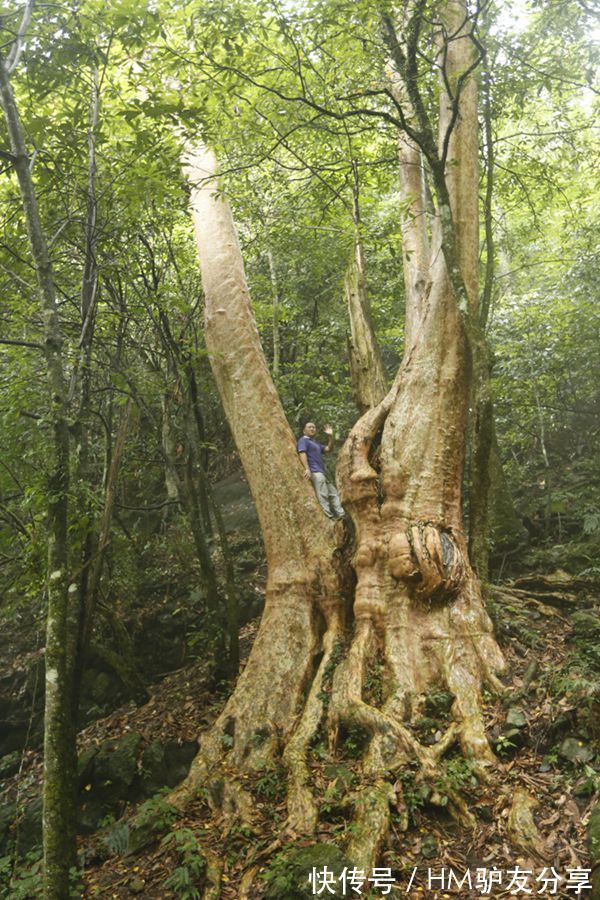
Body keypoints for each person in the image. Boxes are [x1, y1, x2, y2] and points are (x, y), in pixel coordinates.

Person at [297, 422, 345, 520]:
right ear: (304, 430)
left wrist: (331, 436)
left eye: (314, 427)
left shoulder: (315, 443)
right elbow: (302, 453)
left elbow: (328, 449)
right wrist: (307, 468)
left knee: (333, 493)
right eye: (309, 427)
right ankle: (329, 517)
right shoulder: (303, 441)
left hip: (322, 473)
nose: (312, 429)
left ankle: (341, 515)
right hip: (315, 472)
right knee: (323, 494)